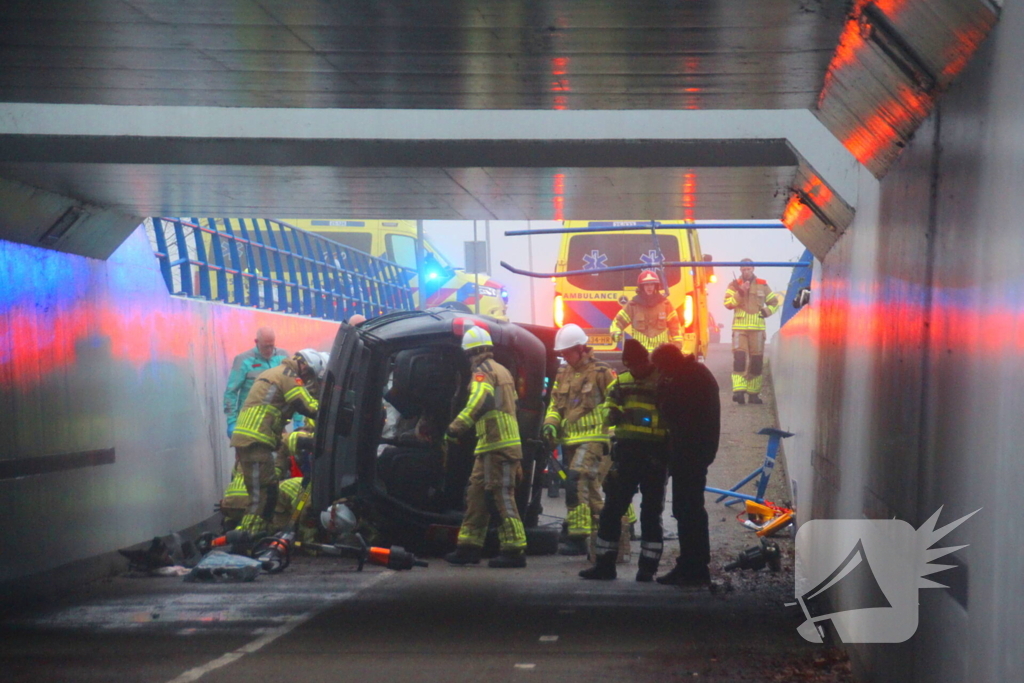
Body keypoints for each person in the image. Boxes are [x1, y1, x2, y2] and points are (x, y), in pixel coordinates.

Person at [580, 340, 669, 582]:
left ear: (647, 361)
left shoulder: (662, 381)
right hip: (628, 453)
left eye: (638, 365)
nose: (635, 371)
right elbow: (608, 404)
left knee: (651, 512)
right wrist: (612, 412)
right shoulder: (622, 380)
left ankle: (647, 569)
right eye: (630, 366)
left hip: (655, 454)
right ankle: (605, 566)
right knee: (612, 510)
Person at [444, 327, 528, 569]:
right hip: (491, 445)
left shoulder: (483, 372)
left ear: (472, 353)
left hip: (497, 445)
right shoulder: (501, 370)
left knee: (500, 496)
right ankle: (469, 547)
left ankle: (514, 549)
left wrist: (455, 427)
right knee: (477, 495)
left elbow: (481, 400)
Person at [229, 349, 324, 535]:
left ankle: (249, 535)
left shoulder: (276, 372)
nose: (307, 379)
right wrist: (334, 412)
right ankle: (247, 537)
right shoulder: (288, 375)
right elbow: (307, 405)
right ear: (304, 365)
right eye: (309, 374)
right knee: (263, 496)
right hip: (256, 440)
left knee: (267, 492)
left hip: (251, 439)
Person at [543, 323, 617, 555]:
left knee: (575, 480)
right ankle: (608, 533)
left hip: (595, 438)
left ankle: (578, 536)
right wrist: (550, 425)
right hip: (571, 441)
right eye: (562, 353)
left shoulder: (602, 372)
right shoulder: (562, 374)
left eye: (567, 352)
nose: (564, 357)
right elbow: (556, 405)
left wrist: (613, 437)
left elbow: (616, 403)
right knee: (590, 491)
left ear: (581, 348)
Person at [650, 344, 720, 587]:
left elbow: (672, 411)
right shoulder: (696, 374)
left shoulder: (687, 379)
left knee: (687, 510)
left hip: (689, 454)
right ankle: (692, 564)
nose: (660, 374)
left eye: (660, 369)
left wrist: (661, 391)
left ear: (668, 364)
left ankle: (693, 567)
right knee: (689, 509)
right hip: (695, 453)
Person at [724, 259, 780, 405]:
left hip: (757, 329)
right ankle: (739, 391)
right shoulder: (734, 285)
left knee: (756, 362)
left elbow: (774, 303)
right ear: (740, 270)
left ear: (753, 269)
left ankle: (753, 394)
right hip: (739, 328)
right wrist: (741, 291)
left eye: (748, 269)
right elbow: (728, 304)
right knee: (740, 359)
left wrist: (767, 311)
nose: (746, 272)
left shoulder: (762, 284)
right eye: (743, 269)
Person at [224, 327, 289, 438]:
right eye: (265, 346)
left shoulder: (283, 357)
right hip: (249, 423)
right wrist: (231, 421)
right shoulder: (243, 360)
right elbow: (231, 392)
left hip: (276, 423)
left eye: (271, 346)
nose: (269, 350)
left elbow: (292, 388)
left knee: (281, 454)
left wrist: (298, 419)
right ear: (256, 342)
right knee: (252, 455)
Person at [609, 270, 683, 352]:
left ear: (656, 286)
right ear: (641, 287)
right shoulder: (633, 305)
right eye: (646, 284)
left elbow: (674, 325)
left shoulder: (665, 304)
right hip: (640, 355)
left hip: (660, 354)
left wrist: (677, 343)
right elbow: (618, 322)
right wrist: (616, 334)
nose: (649, 287)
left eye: (652, 284)